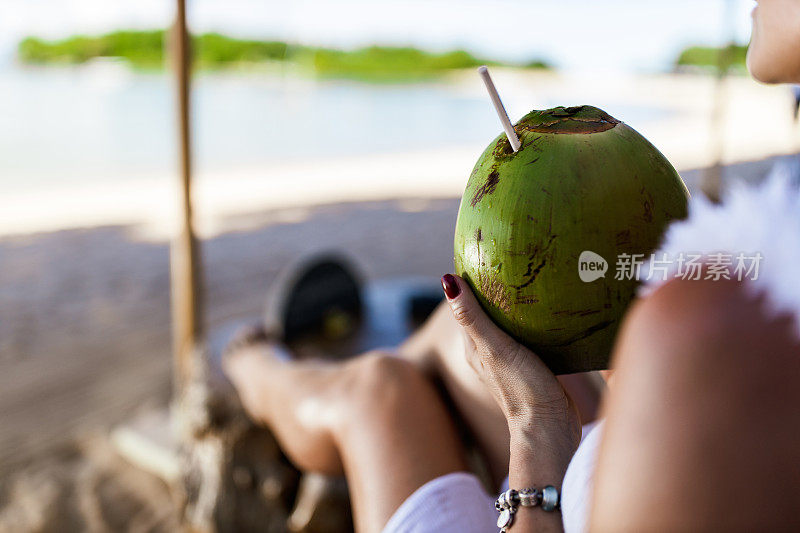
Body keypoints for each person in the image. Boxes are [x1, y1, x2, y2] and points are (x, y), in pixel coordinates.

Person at [223, 1, 800, 531]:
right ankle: (406, 359)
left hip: (558, 498)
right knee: (464, 334)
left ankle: (255, 370)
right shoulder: (771, 249)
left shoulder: (733, 323)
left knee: (380, 391)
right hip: (611, 456)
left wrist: (536, 425)